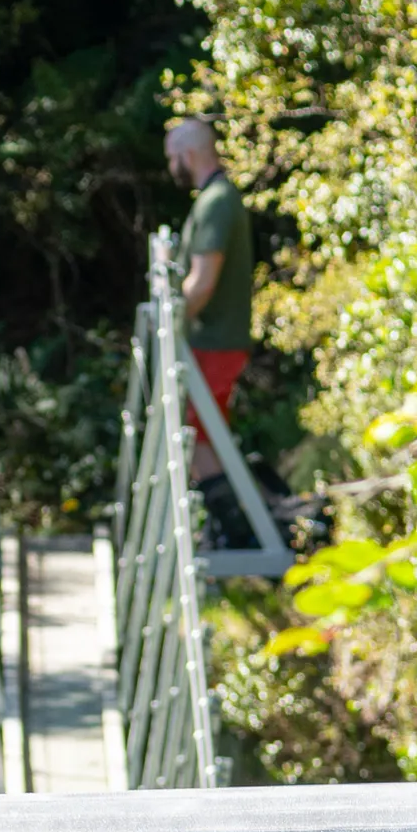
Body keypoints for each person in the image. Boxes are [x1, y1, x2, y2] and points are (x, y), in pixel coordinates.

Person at [164, 116, 255, 544]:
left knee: (199, 436)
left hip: (214, 341)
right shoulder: (216, 198)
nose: (170, 167)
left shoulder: (216, 202)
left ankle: (238, 535)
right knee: (204, 435)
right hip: (215, 340)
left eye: (171, 158)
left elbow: (201, 284)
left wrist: (168, 320)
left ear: (189, 153)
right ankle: (230, 532)